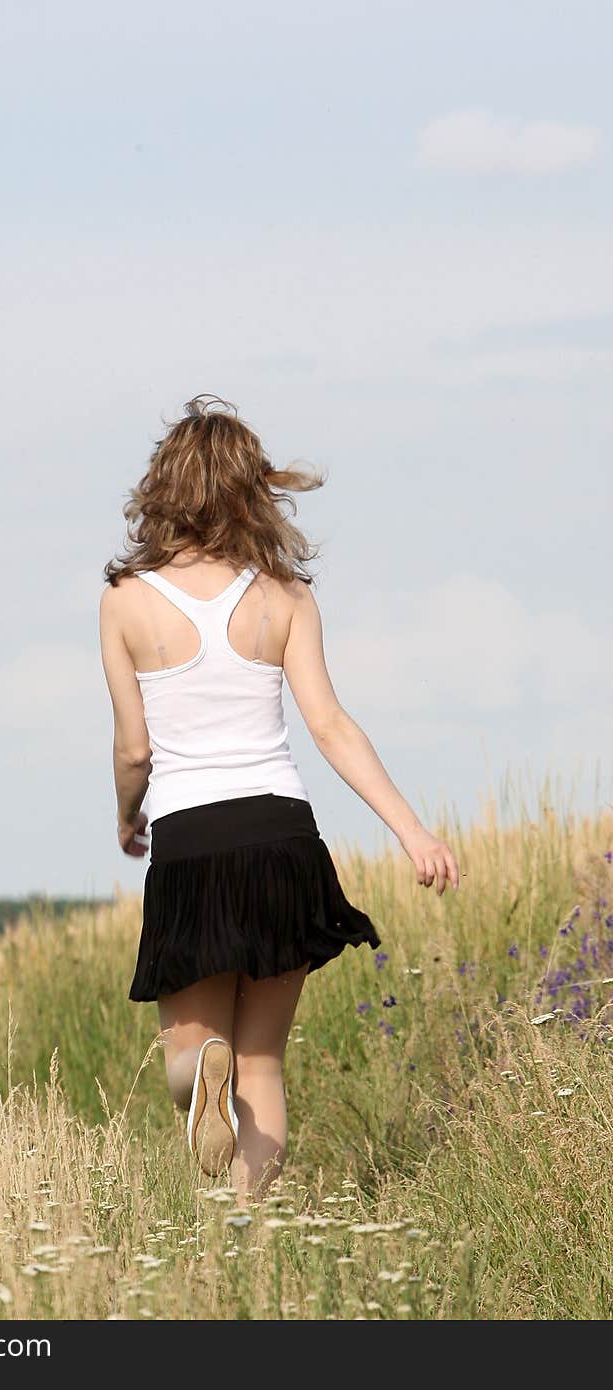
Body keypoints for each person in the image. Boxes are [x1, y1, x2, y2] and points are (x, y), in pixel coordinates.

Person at [98, 394, 460, 1197]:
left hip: (191, 837)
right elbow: (329, 724)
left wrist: (130, 817)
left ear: (163, 487)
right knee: (264, 1062)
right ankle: (242, 1234)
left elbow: (133, 748)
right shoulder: (286, 597)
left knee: (187, 1065)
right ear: (251, 488)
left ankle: (201, 1087)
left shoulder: (126, 600)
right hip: (282, 833)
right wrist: (413, 832)